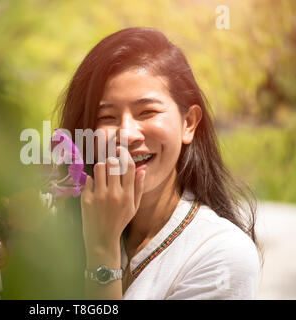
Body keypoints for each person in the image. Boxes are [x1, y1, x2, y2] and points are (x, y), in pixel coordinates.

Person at [57, 27, 262, 299]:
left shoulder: (222, 255)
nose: (127, 135)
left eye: (147, 112)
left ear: (188, 123)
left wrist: (102, 250)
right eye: (107, 117)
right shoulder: (65, 234)